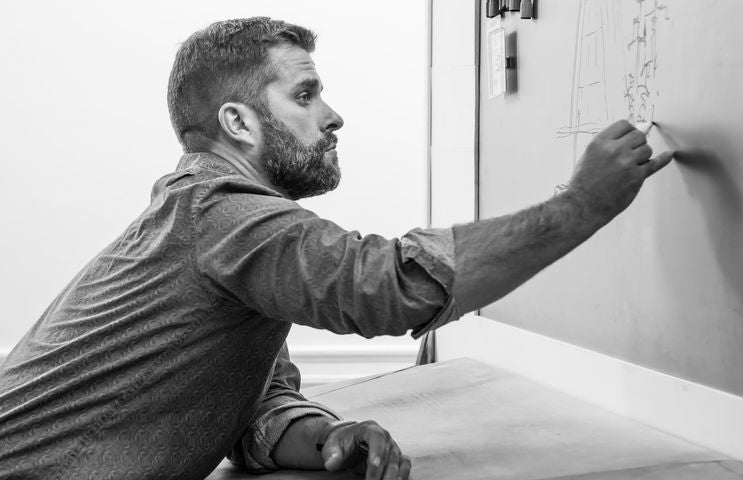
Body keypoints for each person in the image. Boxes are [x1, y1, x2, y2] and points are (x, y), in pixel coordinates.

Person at [0, 16, 673, 480]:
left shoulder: (210, 225)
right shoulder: (224, 213)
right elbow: (384, 285)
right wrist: (583, 204)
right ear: (238, 123)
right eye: (306, 94)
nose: (333, 114)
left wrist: (325, 439)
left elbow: (252, 407)